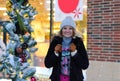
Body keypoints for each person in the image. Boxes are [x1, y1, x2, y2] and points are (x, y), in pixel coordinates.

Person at [44, 16, 89, 81]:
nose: (67, 31)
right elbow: (47, 64)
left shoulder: (78, 42)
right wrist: (55, 53)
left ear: (73, 30)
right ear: (61, 30)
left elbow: (85, 65)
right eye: (65, 28)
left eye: (70, 28)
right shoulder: (55, 42)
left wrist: (75, 53)